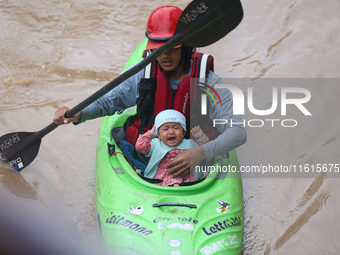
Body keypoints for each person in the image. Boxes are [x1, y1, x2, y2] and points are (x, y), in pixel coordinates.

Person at [53, 6, 247, 179]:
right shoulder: (143, 75)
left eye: (172, 47)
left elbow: (238, 132)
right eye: (157, 47)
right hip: (147, 157)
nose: (164, 54)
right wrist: (79, 114)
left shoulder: (209, 81)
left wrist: (201, 152)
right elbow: (106, 103)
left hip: (196, 161)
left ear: (187, 44)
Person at [135, 109, 209, 187]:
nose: (171, 132)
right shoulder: (156, 144)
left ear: (183, 133)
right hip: (161, 181)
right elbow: (140, 146)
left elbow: (206, 151)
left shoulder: (190, 143)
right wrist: (151, 133)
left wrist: (201, 137)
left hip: (186, 181)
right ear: (159, 135)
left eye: (176, 128)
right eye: (165, 129)